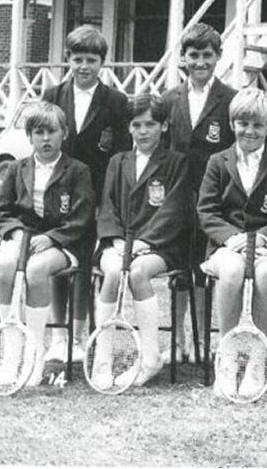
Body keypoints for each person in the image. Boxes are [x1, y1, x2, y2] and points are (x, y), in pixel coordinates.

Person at [196, 88, 267, 397]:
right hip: (228, 247)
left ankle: (257, 355)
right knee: (231, 271)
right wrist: (232, 239)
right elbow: (207, 211)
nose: (249, 131)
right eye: (243, 123)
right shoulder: (218, 161)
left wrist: (265, 237)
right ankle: (227, 357)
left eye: (258, 125)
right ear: (232, 124)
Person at [42, 25, 131, 364]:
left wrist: (107, 202)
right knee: (57, 261)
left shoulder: (116, 101)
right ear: (68, 59)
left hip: (96, 196)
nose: (84, 66)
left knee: (83, 264)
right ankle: (58, 335)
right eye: (77, 59)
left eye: (91, 60)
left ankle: (80, 337)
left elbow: (120, 156)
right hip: (59, 193)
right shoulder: (52, 95)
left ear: (102, 63)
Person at [0, 101, 95, 386]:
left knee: (36, 269)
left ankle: (35, 355)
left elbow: (82, 217)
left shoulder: (78, 170)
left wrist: (52, 238)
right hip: (22, 237)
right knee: (5, 263)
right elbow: (0, 212)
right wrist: (14, 233)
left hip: (63, 244)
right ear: (30, 136)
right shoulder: (15, 168)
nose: (45, 139)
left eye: (52, 132)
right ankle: (12, 353)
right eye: (39, 132)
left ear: (64, 133)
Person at [94, 94, 191, 388]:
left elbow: (173, 211)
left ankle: (150, 358)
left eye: (150, 124)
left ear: (163, 127)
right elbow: (107, 206)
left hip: (160, 246)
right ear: (129, 128)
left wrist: (141, 244)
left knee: (137, 272)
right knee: (112, 271)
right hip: (118, 243)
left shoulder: (176, 162)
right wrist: (115, 241)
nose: (143, 131)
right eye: (136, 125)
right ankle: (103, 356)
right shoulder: (118, 161)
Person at [157, 22, 238, 363]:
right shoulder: (169, 99)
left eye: (207, 55)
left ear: (218, 57)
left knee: (204, 269)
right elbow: (160, 150)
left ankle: (204, 340)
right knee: (178, 271)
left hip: (213, 200)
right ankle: (178, 340)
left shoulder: (230, 99)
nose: (200, 62)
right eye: (194, 55)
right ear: (183, 59)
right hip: (177, 197)